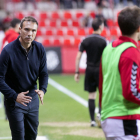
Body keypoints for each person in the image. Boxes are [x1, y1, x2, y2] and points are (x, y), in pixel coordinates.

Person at [0, 16, 48, 140]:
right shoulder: (8, 51)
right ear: (20, 30)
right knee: (19, 137)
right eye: (27, 29)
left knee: (31, 137)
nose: (30, 33)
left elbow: (43, 73)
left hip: (33, 100)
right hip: (14, 101)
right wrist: (15, 96)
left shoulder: (40, 49)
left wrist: (42, 89)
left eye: (33, 31)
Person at [99, 6, 140, 140]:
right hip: (125, 119)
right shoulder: (131, 52)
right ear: (138, 28)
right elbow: (131, 91)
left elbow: (101, 85)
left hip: (109, 116)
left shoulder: (109, 48)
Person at [74, 18, 107, 127]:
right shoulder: (104, 41)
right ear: (100, 27)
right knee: (102, 94)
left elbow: (78, 56)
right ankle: (100, 116)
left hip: (89, 70)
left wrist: (77, 72)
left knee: (91, 95)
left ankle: (92, 120)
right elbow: (107, 57)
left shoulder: (85, 40)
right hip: (100, 70)